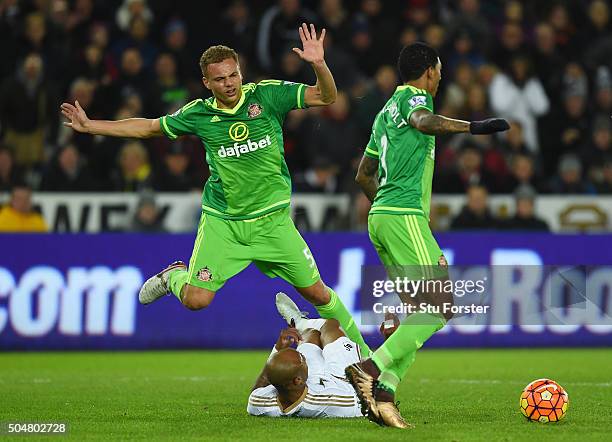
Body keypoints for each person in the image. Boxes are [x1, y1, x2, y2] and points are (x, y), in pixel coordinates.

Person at [61, 23, 370, 359]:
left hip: (274, 222)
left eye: (233, 75)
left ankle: (368, 360)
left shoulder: (266, 95)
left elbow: (326, 96)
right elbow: (149, 127)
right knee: (196, 301)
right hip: (225, 224)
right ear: (207, 83)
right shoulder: (199, 114)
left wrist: (318, 64)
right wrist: (92, 126)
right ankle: (174, 277)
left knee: (319, 294)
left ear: (240, 72)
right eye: (220, 79)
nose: (229, 84)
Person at [351, 42, 509, 428]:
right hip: (402, 215)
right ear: (429, 72)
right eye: (439, 70)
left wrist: (387, 209)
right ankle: (370, 369)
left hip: (383, 217)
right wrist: (473, 127)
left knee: (419, 312)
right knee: (440, 308)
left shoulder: (383, 111)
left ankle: (385, 395)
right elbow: (423, 121)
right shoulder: (412, 98)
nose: (441, 76)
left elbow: (363, 175)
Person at [248, 293, 363, 419]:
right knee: (331, 325)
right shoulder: (334, 402)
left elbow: (255, 394)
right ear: (297, 380)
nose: (302, 354)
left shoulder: (260, 402)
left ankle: (300, 323)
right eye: (302, 358)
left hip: (310, 380)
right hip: (340, 379)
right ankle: (302, 322)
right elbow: (366, 398)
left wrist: (278, 348)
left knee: (310, 333)